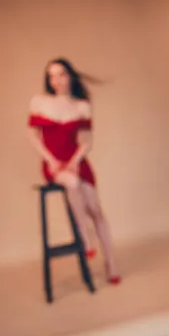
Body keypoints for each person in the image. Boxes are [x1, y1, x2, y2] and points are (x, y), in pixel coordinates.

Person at [28, 58, 121, 285]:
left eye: (61, 74)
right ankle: (86, 236)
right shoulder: (39, 101)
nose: (57, 80)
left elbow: (87, 142)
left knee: (97, 210)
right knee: (70, 182)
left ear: (70, 76)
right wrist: (51, 160)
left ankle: (111, 263)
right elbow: (32, 136)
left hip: (77, 162)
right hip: (54, 164)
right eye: (52, 76)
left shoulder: (81, 105)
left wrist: (75, 161)